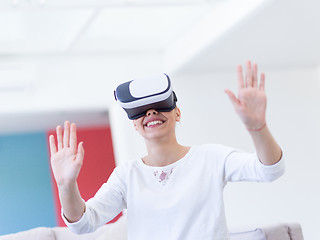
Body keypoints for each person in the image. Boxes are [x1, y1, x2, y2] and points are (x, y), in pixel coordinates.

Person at [49, 61, 284, 240]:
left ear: (177, 113)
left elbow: (270, 170)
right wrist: (66, 186)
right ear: (134, 123)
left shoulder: (210, 158)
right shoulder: (127, 176)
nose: (151, 113)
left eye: (160, 105)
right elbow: (83, 223)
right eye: (140, 110)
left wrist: (258, 128)